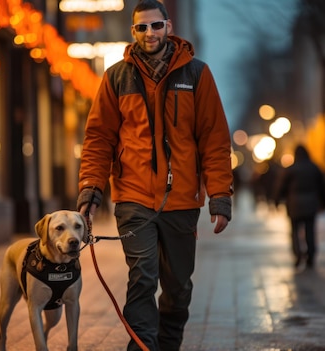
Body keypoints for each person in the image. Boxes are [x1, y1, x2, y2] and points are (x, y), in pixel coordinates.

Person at [76, 1, 233, 349]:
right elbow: (99, 138)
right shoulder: (117, 77)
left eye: (156, 26)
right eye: (142, 28)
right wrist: (90, 190)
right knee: (142, 278)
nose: (150, 33)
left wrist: (220, 196)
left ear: (169, 26)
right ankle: (143, 346)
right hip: (133, 198)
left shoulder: (197, 74)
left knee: (178, 286)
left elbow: (215, 140)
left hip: (182, 200)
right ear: (133, 32)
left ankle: (168, 342)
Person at [274, 145, 325, 269]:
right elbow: (322, 187)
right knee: (310, 230)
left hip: (294, 204)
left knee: (295, 231)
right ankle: (311, 255)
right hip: (311, 204)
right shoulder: (314, 168)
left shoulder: (291, 169)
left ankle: (298, 254)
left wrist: (277, 200)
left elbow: (281, 186)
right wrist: (324, 203)